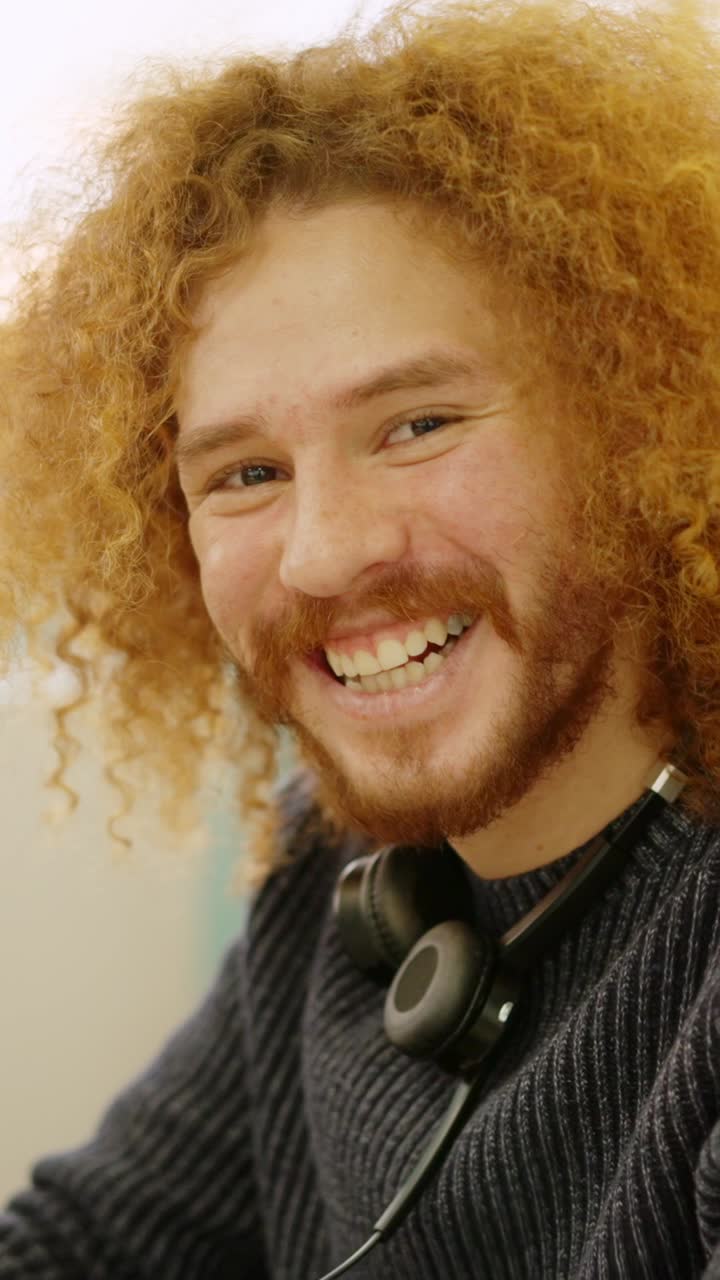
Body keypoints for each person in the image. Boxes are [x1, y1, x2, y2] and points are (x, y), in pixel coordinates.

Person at [1, 0, 720, 1274]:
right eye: (245, 473)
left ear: (642, 429)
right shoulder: (344, 892)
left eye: (419, 424)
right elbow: (83, 1245)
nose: (325, 551)